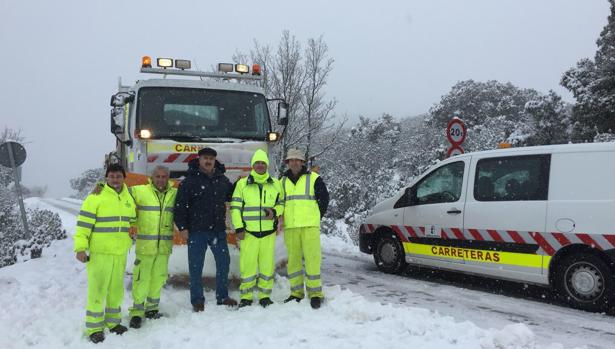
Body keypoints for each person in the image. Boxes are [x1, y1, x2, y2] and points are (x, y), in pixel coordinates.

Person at [74, 163, 136, 343]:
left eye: (118, 176)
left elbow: (131, 219)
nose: (115, 179)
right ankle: (94, 327)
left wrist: (133, 229)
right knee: (98, 290)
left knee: (116, 290)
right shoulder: (95, 197)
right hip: (100, 252)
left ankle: (113, 322)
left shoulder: (128, 196)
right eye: (112, 176)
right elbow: (84, 224)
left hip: (120, 252)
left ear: (124, 178)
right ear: (106, 178)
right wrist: (80, 248)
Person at [174, 147, 237, 311]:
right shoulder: (189, 181)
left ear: (215, 161)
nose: (208, 161)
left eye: (211, 158)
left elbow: (232, 196)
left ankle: (222, 296)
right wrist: (182, 227)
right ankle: (197, 300)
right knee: (196, 267)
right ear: (199, 160)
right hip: (196, 231)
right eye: (205, 158)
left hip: (218, 230)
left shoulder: (222, 180)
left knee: (224, 264)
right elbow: (180, 206)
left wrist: (242, 183)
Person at [230, 149, 284, 308]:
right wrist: (239, 228)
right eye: (257, 163)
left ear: (266, 165)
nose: (260, 165)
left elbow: (281, 204)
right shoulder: (242, 184)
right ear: (252, 165)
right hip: (249, 234)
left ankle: (264, 296)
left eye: (263, 163)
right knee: (248, 267)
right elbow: (235, 207)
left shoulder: (276, 184)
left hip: (268, 234)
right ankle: (246, 297)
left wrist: (275, 212)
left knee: (267, 267)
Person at [127, 165, 177, 329]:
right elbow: (118, 192)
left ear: (168, 179)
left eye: (164, 177)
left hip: (164, 247)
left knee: (158, 279)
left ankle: (152, 309)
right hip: (145, 247)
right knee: (141, 280)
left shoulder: (174, 193)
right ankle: (136, 312)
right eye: (158, 176)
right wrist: (101, 187)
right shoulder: (140, 191)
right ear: (152, 177)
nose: (161, 180)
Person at [280, 149, 329, 309]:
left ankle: (315, 294)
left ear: (302, 162)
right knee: (293, 261)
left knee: (312, 260)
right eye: (291, 160)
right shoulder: (282, 181)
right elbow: (279, 202)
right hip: (291, 226)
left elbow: (324, 199)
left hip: (309, 226)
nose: (294, 162)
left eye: (297, 160)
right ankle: (296, 293)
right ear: (287, 163)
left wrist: (315, 216)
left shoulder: (314, 178)